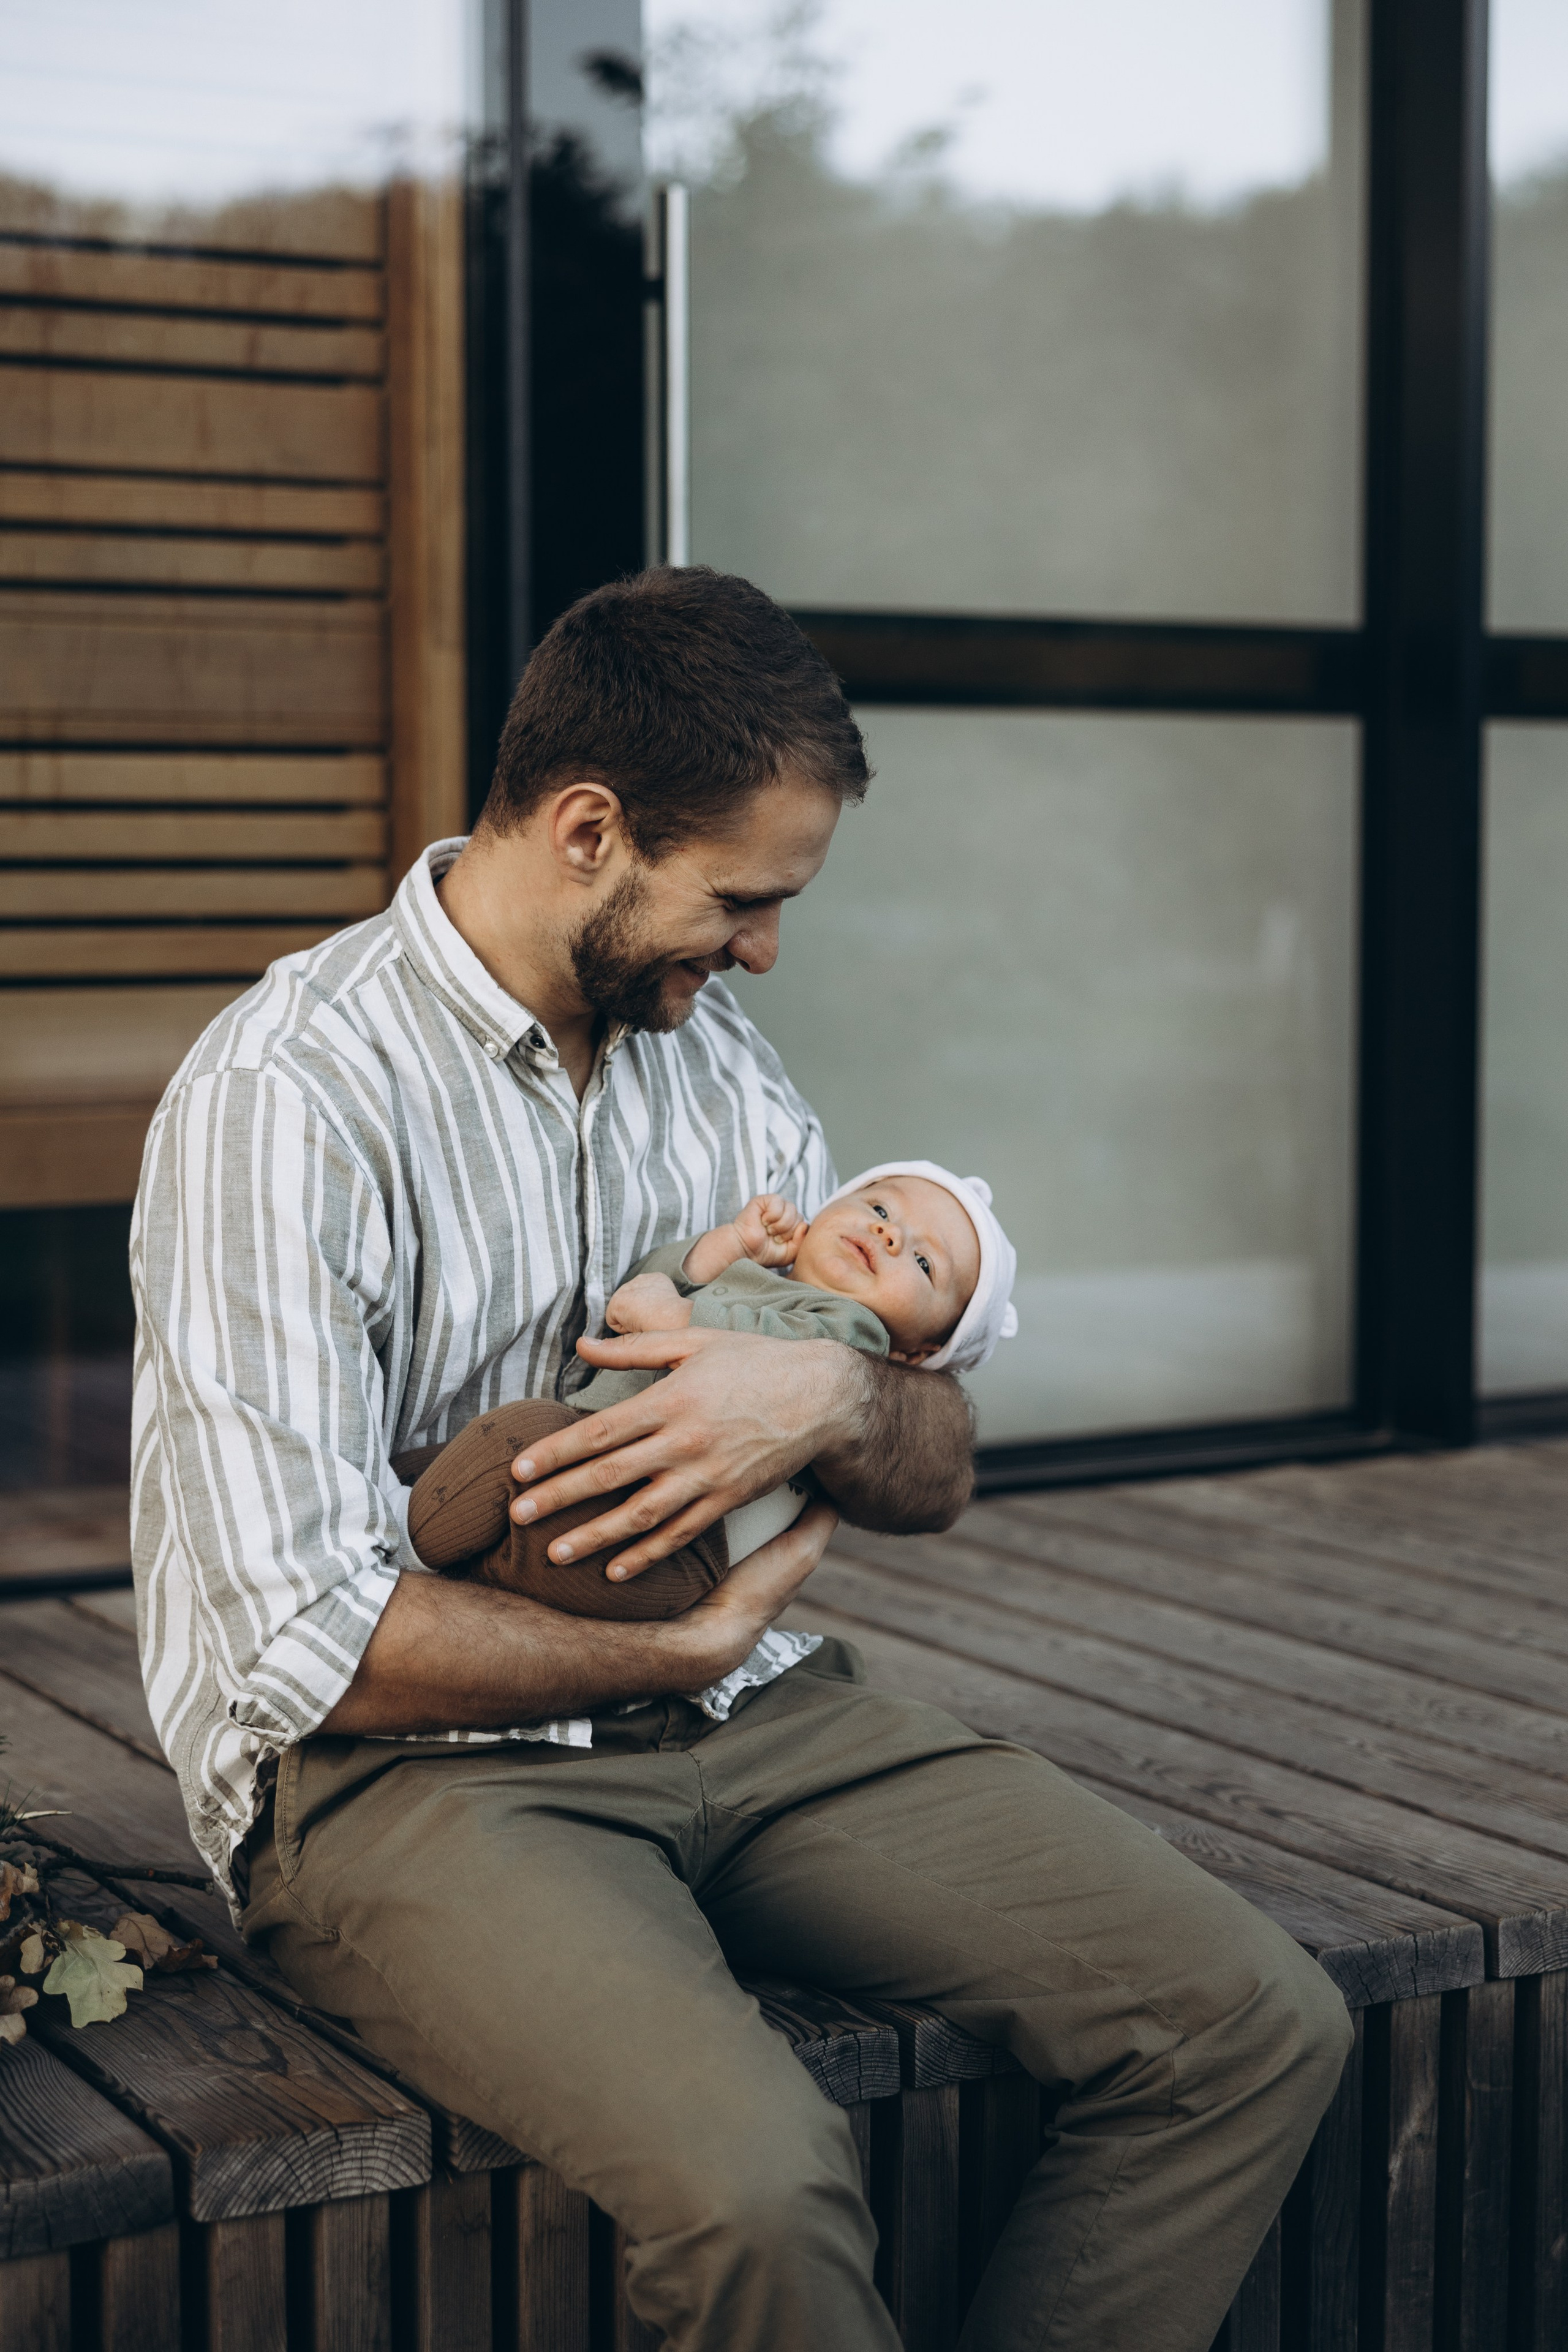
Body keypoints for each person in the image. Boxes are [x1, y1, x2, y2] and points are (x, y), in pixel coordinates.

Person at [131, 565, 1352, 2352]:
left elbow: (927, 1454)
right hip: (407, 1777)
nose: (767, 948)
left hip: (763, 1713)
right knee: (764, 2183)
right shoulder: (288, 1097)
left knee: (1253, 2019)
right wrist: (673, 1645)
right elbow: (295, 1641)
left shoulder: (723, 1073)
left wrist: (830, 1400)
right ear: (589, 826)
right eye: (744, 898)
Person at [401, 1161, 1020, 1617]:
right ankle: (433, 1538)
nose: (890, 1237)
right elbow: (655, 1281)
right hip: (606, 1490)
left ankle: (405, 1545)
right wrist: (732, 1246)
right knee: (455, 1472)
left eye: (923, 1264)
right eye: (881, 1209)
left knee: (516, 1436)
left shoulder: (850, 1336)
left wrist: (675, 1318)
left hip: (668, 1542)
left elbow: (760, 1351)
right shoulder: (758, 1279)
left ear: (918, 1353)